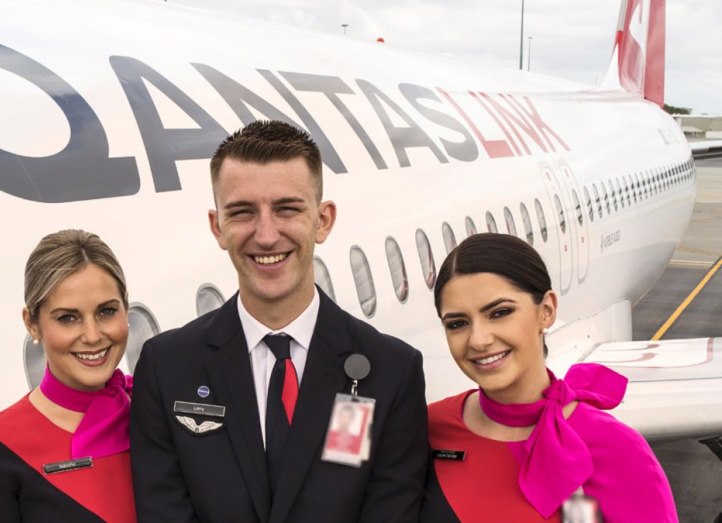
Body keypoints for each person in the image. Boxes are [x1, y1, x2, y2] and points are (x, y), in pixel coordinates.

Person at [130, 120, 428, 523]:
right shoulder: (166, 367)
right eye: (242, 212)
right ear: (218, 227)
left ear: (323, 220)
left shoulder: (392, 371)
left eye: (287, 209)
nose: (267, 236)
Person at [421, 233, 677, 522]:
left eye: (500, 313)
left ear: (547, 311)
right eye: (457, 324)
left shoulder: (617, 448)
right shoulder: (430, 428)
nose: (478, 340)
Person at [0, 230, 136, 523]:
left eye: (106, 311)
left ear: (125, 307)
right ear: (32, 324)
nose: (92, 336)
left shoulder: (157, 413)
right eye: (67, 318)